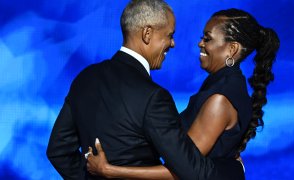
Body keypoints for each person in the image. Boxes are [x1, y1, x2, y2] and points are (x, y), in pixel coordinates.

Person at [46, 1, 243, 180]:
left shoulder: (85, 78)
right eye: (170, 35)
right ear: (147, 34)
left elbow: (58, 150)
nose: (172, 44)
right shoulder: (154, 97)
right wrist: (234, 169)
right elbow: (192, 172)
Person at [85, 8, 280, 179]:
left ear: (232, 49)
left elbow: (184, 170)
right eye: (202, 37)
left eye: (208, 38)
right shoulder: (224, 86)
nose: (200, 44)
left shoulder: (219, 99)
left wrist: (109, 170)